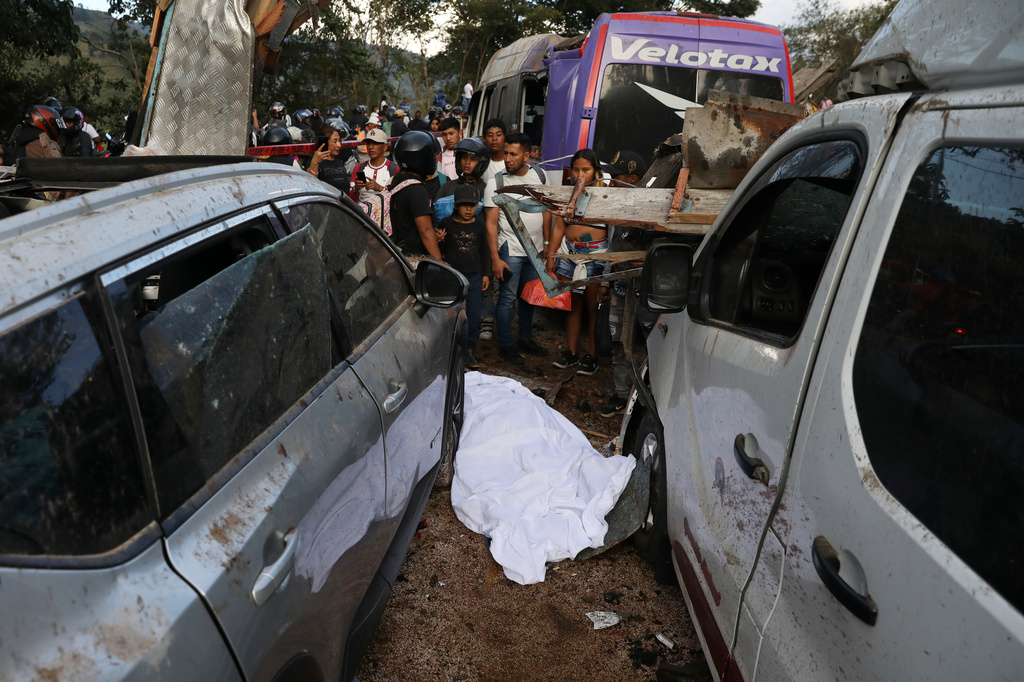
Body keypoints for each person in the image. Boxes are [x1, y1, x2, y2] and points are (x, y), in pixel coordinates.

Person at [483, 132, 550, 363]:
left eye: (513, 154)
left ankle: (525, 338)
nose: (507, 158)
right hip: (509, 251)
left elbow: (547, 212)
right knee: (507, 299)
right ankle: (506, 345)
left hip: (537, 250)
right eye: (505, 154)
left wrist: (548, 247)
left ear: (527, 155)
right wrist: (495, 258)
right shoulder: (496, 182)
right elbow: (490, 224)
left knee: (529, 298)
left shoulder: (540, 176)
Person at [545, 148, 610, 375]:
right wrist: (552, 255)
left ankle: (592, 356)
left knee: (593, 308)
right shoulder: (568, 194)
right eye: (576, 169)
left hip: (594, 256)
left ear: (596, 171)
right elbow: (560, 227)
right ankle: (571, 352)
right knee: (571, 306)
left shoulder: (607, 196)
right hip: (569, 255)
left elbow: (614, 231)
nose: (580, 174)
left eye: (586, 169)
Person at [598, 150, 651, 417]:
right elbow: (611, 247)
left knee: (655, 341)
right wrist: (606, 282)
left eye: (615, 177)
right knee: (619, 339)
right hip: (619, 285)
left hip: (647, 287)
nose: (610, 183)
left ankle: (654, 396)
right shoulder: (615, 206)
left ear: (633, 178)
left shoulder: (654, 205)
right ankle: (621, 395)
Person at [437, 184, 491, 368]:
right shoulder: (446, 223)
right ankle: (451, 348)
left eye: (473, 205)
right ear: (456, 206)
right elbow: (440, 249)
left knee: (474, 313)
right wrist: (440, 240)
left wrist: (486, 274)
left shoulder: (479, 225)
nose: (469, 209)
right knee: (452, 313)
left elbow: (485, 251)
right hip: (453, 277)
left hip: (475, 276)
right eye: (464, 205)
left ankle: (469, 350)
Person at [388, 130, 443, 260]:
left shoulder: (395, 181)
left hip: (395, 256)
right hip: (412, 259)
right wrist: (440, 264)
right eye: (432, 157)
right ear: (422, 159)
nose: (434, 161)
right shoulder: (416, 189)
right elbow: (425, 231)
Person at [433, 136, 488, 223]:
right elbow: (436, 217)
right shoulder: (447, 187)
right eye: (464, 158)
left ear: (481, 163)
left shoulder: (486, 190)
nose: (467, 162)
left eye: (472, 159)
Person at [350, 128, 397, 203]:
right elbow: (351, 200)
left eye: (375, 143)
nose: (371, 147)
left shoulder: (394, 169)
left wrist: (380, 188)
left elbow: (400, 198)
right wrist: (356, 189)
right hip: (362, 213)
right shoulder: (358, 168)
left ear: (385, 147)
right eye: (368, 143)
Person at [307, 122, 351, 193]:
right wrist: (315, 162)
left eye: (339, 141)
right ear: (324, 142)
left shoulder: (339, 162)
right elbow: (310, 184)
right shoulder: (314, 162)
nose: (339, 145)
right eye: (335, 141)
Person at [480, 118, 507, 184]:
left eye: (498, 135)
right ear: (484, 139)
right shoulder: (480, 164)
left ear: (505, 137)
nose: (494, 139)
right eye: (490, 135)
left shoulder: (511, 163)